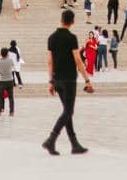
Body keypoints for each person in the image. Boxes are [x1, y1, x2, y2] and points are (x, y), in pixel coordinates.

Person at [41, 9, 93, 156]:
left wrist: (51, 81)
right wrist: (87, 80)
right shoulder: (71, 38)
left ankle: (74, 144)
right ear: (72, 22)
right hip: (69, 79)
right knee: (69, 111)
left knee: (66, 111)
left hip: (57, 79)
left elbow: (50, 62)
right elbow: (78, 60)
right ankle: (51, 139)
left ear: (61, 20)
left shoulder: (52, 38)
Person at [0, 47, 17, 115]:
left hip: (2, 81)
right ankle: (11, 111)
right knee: (11, 97)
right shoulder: (10, 60)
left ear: (1, 54)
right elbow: (13, 66)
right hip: (10, 80)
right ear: (7, 54)